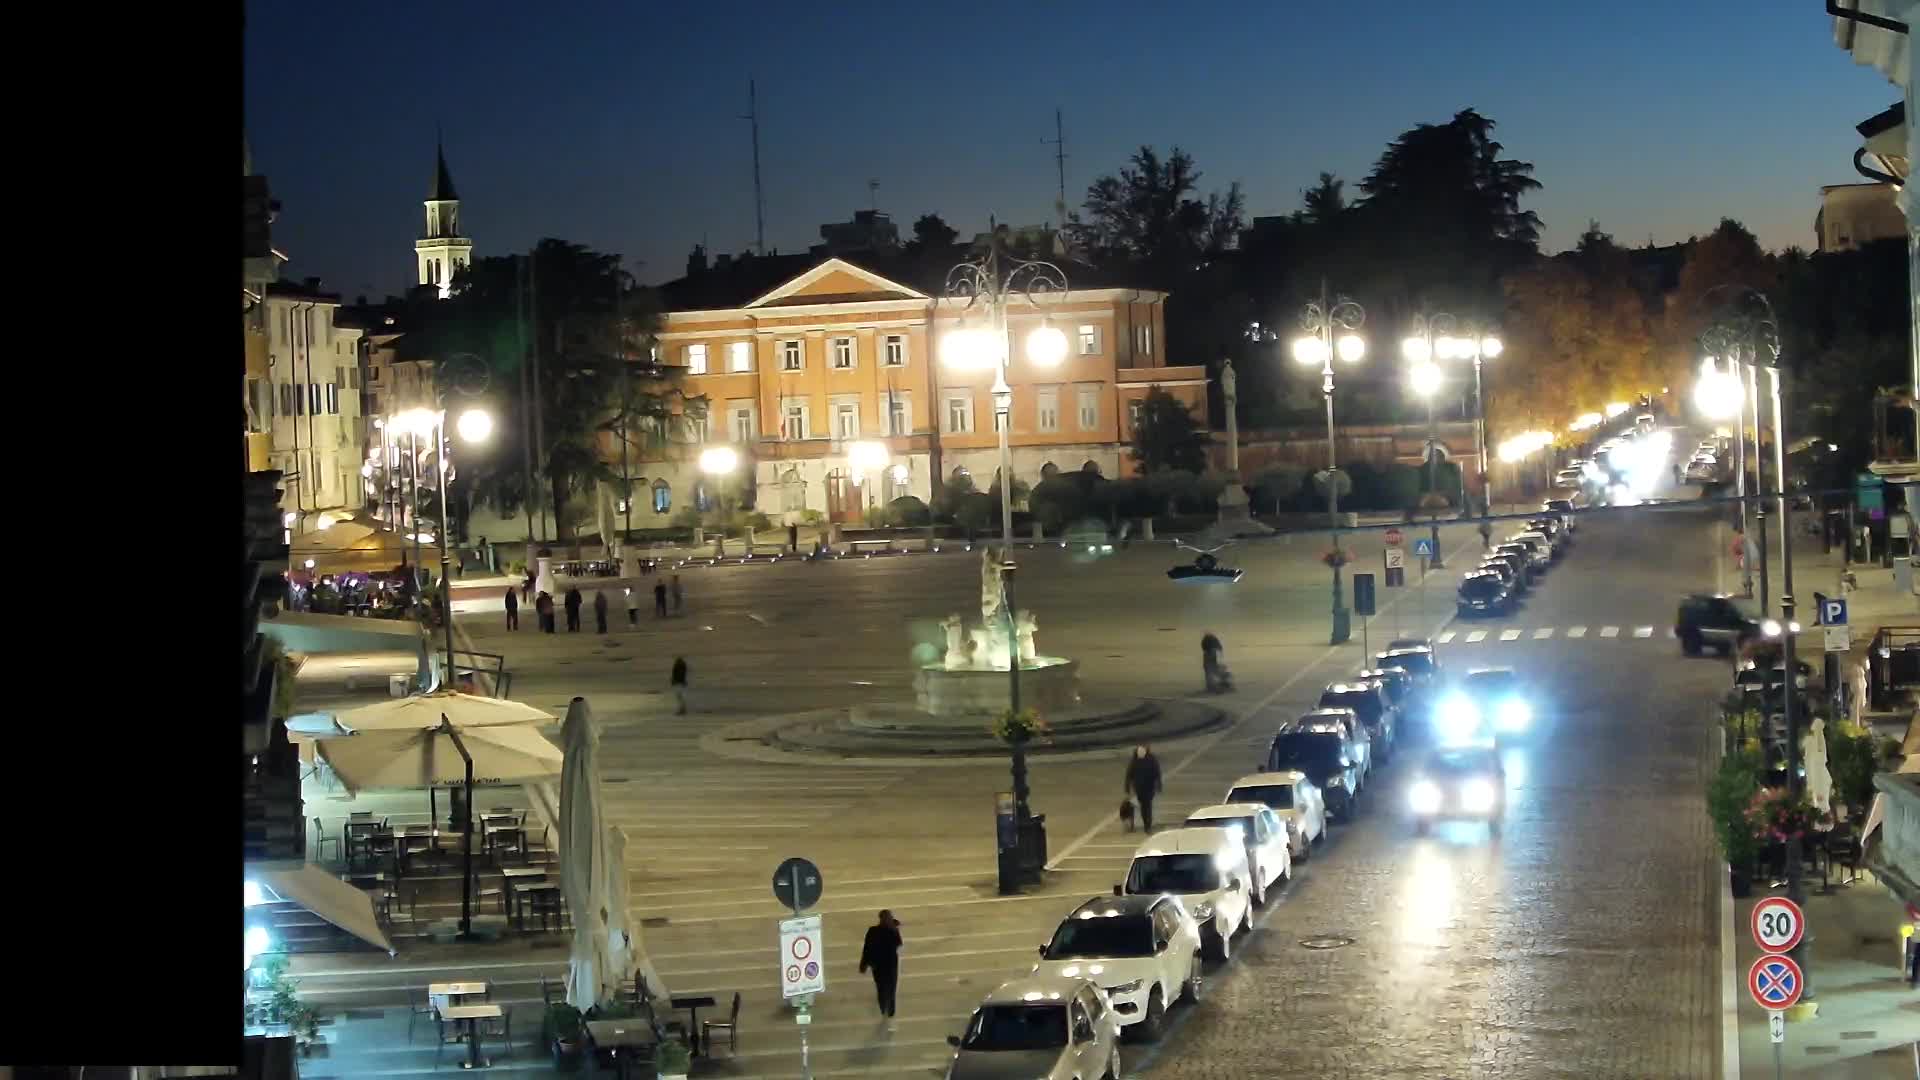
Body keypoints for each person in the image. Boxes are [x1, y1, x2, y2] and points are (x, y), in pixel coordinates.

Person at [858, 910, 903, 1031]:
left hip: (880, 966)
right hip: (887, 966)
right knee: (887, 989)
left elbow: (867, 949)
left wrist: (864, 965)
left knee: (884, 989)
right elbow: (898, 943)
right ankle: (888, 1010)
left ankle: (886, 1010)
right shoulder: (885, 931)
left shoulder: (874, 931)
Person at [1124, 744, 1163, 832]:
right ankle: (1147, 824)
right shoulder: (1135, 761)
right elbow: (1129, 775)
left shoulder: (1150, 759)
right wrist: (1127, 787)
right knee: (1144, 807)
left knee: (1147, 806)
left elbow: (1157, 772)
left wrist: (1159, 784)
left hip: (1148, 787)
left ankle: (1147, 825)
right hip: (1140, 788)